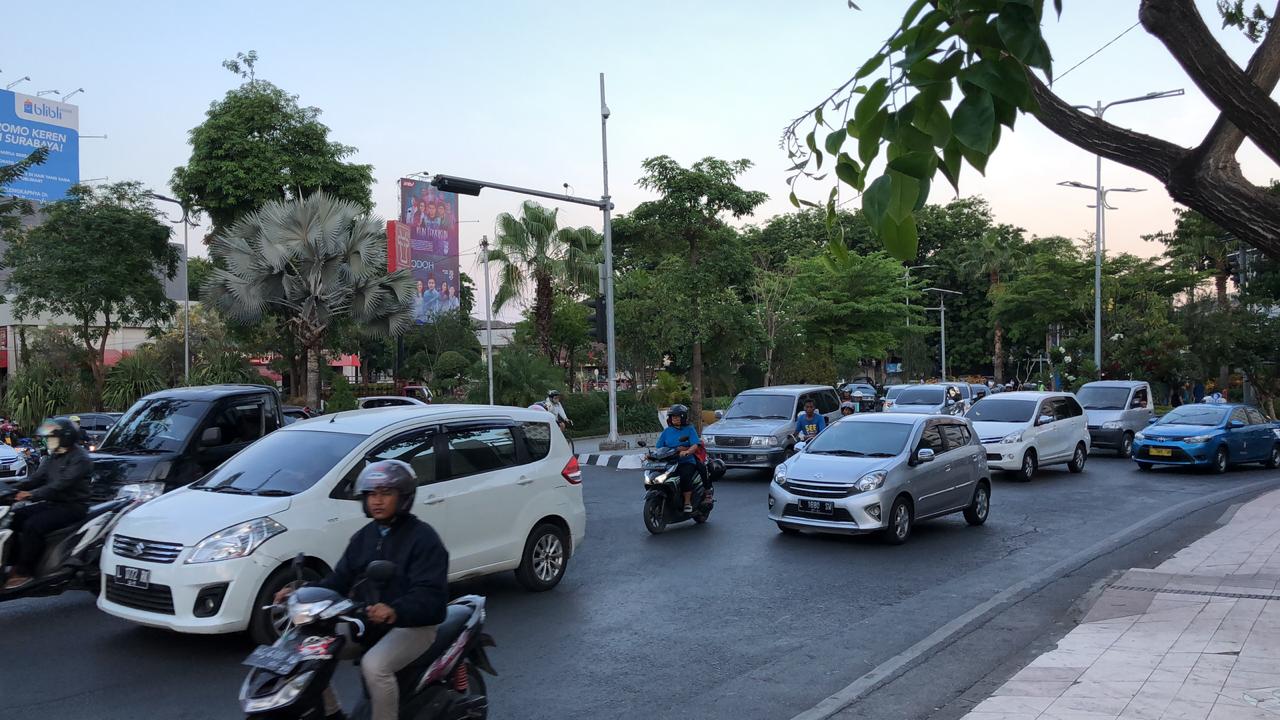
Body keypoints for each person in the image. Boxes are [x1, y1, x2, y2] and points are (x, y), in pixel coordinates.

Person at [275, 460, 448, 720]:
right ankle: (332, 714)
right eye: (371, 495)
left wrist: (394, 611)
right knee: (309, 652)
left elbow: (431, 597)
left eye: (386, 494)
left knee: (375, 666)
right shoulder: (364, 537)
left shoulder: (423, 539)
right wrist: (300, 592)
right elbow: (338, 581)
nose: (377, 501)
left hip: (412, 626)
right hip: (365, 621)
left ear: (403, 498)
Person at [3, 419, 92, 590]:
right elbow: (36, 478)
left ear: (65, 438)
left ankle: (25, 571)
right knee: (14, 518)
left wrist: (31, 495)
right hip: (53, 503)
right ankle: (14, 561)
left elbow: (60, 485)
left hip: (72, 507)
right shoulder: (54, 456)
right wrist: (11, 490)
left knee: (32, 526)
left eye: (52, 437)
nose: (49, 440)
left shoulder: (80, 459)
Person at [656, 404, 701, 513]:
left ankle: (687, 502)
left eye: (678, 416)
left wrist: (687, 452)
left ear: (684, 417)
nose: (675, 419)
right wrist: (650, 455)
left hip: (686, 461)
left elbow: (695, 444)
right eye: (673, 416)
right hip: (670, 462)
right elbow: (659, 447)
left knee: (685, 476)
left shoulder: (689, 429)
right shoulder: (667, 431)